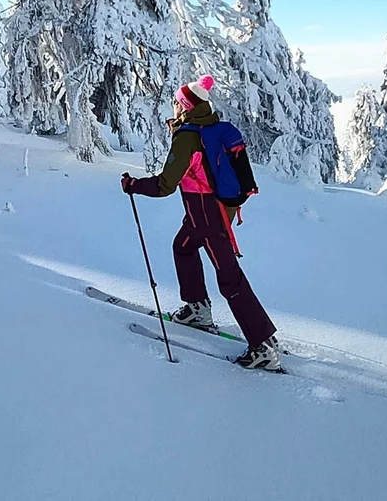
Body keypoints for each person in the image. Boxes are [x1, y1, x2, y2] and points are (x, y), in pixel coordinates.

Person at [121, 75, 283, 371]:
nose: (174, 108)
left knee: (228, 276)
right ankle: (198, 308)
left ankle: (262, 346)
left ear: (184, 105)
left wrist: (134, 185)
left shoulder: (188, 137)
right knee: (182, 246)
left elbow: (165, 185)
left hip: (207, 215)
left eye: (176, 103)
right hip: (208, 212)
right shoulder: (211, 126)